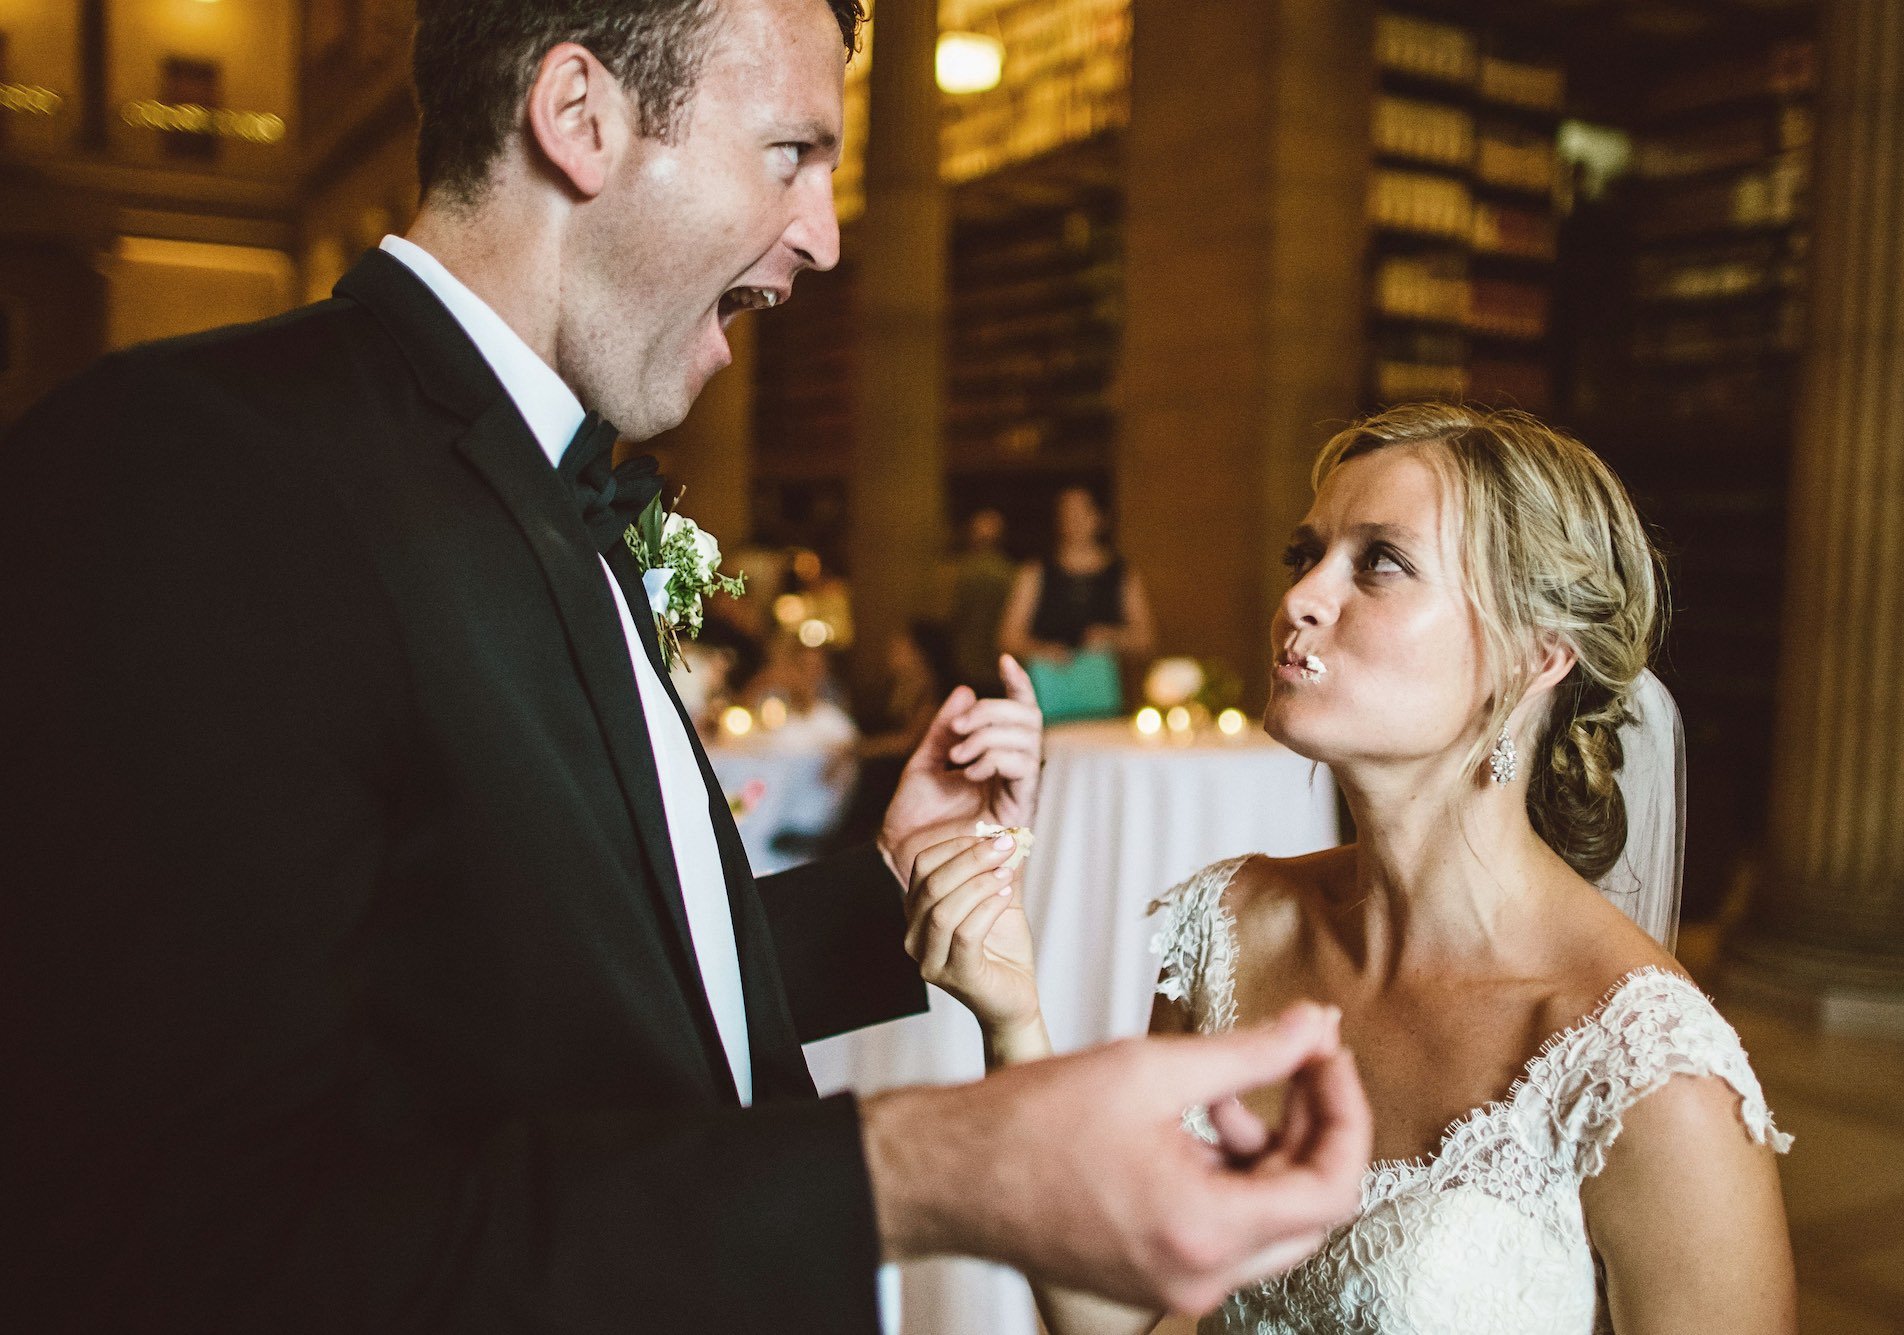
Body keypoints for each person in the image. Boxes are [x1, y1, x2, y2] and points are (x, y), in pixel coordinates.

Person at [0, 1, 1372, 1330]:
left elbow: (525, 976)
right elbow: (177, 1247)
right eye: (792, 153)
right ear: (580, 116)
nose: (828, 239)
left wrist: (883, 897)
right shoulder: (199, 472)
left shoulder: (553, 475)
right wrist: (927, 1166)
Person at [910, 404, 1797, 1334]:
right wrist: (1012, 1015)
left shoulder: (1651, 1076)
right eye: (1308, 554)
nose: (1299, 598)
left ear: (1534, 655)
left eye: (1380, 561)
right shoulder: (1232, 924)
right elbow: (1125, 1314)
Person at [999, 485, 1156, 721]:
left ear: (1100, 518)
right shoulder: (1035, 572)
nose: (1073, 521)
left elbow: (1146, 640)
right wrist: (1044, 650)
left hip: (1103, 702)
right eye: (1066, 514)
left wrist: (1110, 637)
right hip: (1048, 702)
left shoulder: (1122, 575)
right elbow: (1007, 638)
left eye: (1081, 513)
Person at [945, 507, 1017, 697]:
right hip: (1000, 662)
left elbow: (948, 616)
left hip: (969, 663)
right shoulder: (1011, 573)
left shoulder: (960, 572)